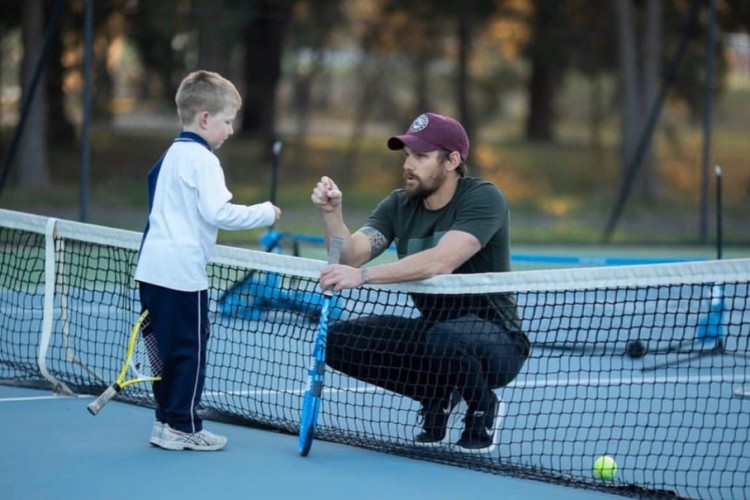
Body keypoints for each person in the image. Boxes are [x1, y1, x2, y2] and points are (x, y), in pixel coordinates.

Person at [311, 112, 530, 451]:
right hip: (435, 333)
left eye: (421, 156)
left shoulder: (484, 198)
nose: (409, 165)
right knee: (335, 340)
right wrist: (332, 215)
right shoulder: (398, 204)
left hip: (496, 340)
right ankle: (437, 395)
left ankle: (483, 406)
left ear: (452, 161)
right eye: (408, 156)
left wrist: (365, 277)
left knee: (445, 339)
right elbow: (350, 256)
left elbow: (442, 260)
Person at [134, 70, 281, 451]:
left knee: (163, 352)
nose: (230, 130)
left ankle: (166, 421)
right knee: (190, 350)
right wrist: (265, 212)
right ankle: (183, 426)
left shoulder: (167, 158)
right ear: (204, 119)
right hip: (182, 276)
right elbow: (220, 213)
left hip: (150, 270)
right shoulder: (203, 160)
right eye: (227, 121)